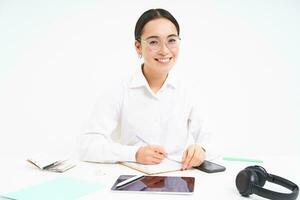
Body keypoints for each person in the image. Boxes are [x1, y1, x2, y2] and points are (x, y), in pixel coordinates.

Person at [78, 8, 210, 170]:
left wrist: (202, 150)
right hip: (131, 177)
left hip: (178, 177)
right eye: (154, 42)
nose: (164, 50)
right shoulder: (118, 89)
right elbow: (87, 146)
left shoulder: (189, 89)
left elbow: (211, 138)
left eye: (172, 40)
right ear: (138, 47)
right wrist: (135, 154)